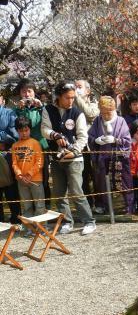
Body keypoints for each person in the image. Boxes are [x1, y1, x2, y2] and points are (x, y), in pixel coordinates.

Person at [41, 81, 96, 235]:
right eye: (67, 97)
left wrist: (75, 151)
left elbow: (83, 137)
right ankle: (67, 222)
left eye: (73, 97)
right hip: (56, 159)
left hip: (74, 159)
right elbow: (44, 129)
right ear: (59, 96)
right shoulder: (48, 110)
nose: (71, 101)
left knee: (76, 191)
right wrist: (55, 135)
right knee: (59, 193)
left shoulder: (78, 113)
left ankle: (89, 221)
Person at [88, 96, 133, 214]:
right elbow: (90, 136)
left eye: (108, 112)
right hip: (102, 157)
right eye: (103, 113)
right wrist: (96, 140)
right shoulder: (97, 121)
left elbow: (127, 141)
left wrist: (115, 140)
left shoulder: (121, 121)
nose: (106, 115)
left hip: (119, 158)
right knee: (102, 183)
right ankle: (104, 207)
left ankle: (129, 206)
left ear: (113, 110)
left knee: (124, 181)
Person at [14, 79, 51, 207]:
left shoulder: (41, 108)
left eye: (29, 91)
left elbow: (41, 123)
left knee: (44, 178)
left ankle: (46, 208)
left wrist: (41, 107)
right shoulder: (17, 109)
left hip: (41, 146)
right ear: (20, 94)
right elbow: (20, 125)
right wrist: (19, 110)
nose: (27, 95)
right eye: (24, 92)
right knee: (25, 178)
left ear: (34, 93)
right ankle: (31, 210)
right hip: (24, 149)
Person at [11, 116, 45, 222]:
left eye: (26, 130)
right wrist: (20, 175)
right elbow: (14, 163)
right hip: (22, 181)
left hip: (36, 179)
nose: (24, 133)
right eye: (21, 131)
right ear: (17, 131)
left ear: (30, 129)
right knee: (26, 206)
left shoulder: (35, 143)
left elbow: (40, 161)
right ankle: (28, 228)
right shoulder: (14, 145)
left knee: (39, 205)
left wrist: (30, 174)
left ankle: (42, 228)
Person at [74, 80, 99, 209]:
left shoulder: (94, 103)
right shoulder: (71, 105)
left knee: (96, 176)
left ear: (88, 91)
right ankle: (88, 205)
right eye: (75, 87)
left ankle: (100, 204)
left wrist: (77, 97)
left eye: (79, 87)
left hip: (92, 146)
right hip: (78, 146)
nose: (76, 89)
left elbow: (90, 114)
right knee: (82, 177)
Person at [0, 141, 21, 224]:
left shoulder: (10, 151)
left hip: (10, 177)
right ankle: (1, 221)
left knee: (13, 197)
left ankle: (16, 219)